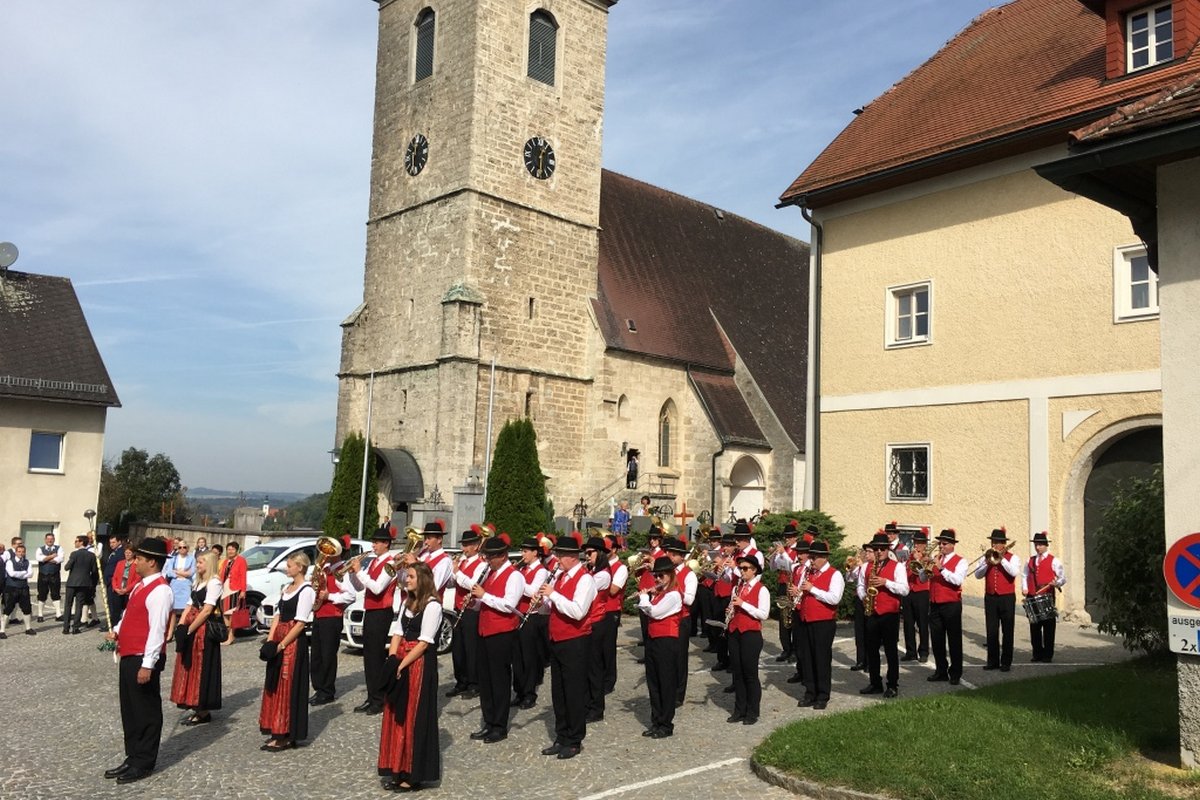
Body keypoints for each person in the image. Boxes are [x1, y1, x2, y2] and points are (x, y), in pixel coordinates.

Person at [103, 537, 172, 784]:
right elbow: (129, 614)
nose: (135, 562)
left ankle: (144, 761)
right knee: (130, 710)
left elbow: (157, 630)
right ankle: (132, 755)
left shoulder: (161, 590)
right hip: (129, 654)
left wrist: (148, 664)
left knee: (145, 711)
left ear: (152, 562)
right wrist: (117, 631)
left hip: (144, 658)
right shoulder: (139, 586)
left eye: (140, 559)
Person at [378, 561, 441, 792]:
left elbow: (424, 642)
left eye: (411, 576)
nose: (407, 579)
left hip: (418, 665)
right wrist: (393, 659)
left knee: (413, 715)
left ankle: (412, 773)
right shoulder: (407, 602)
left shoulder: (432, 606)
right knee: (396, 714)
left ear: (422, 579)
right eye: (407, 576)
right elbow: (398, 631)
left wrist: (402, 664)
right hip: (402, 659)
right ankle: (396, 766)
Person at [538, 532, 596, 760]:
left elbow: (577, 611)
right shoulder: (560, 577)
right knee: (559, 692)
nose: (557, 560)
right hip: (557, 639)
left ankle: (574, 739)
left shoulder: (585, 579)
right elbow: (553, 607)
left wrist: (554, 595)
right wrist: (543, 601)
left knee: (573, 692)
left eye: (560, 555)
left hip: (575, 641)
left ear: (572, 556)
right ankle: (561, 736)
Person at [259, 552, 314, 751]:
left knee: (287, 685)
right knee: (274, 683)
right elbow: (278, 615)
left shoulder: (306, 590)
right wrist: (271, 641)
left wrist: (282, 645)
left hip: (291, 643)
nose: (287, 568)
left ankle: (286, 733)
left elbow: (300, 624)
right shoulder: (287, 588)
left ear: (300, 567)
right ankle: (275, 727)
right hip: (280, 638)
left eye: (290, 565)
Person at [471, 534, 523, 743]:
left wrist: (484, 596)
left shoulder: (514, 576)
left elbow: (509, 605)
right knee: (485, 679)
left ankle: (499, 726)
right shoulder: (490, 574)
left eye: (491, 557)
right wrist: (475, 601)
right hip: (485, 630)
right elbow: (487, 601)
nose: (487, 561)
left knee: (499, 680)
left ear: (502, 556)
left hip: (502, 633)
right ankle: (489, 721)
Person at [348, 524, 400, 715]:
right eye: (373, 542)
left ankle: (380, 699)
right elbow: (362, 588)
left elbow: (378, 588)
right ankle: (372, 696)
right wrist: (354, 574)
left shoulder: (391, 563)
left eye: (377, 542)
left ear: (386, 544)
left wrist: (359, 572)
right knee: (369, 656)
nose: (374, 545)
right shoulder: (374, 562)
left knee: (377, 656)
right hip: (370, 610)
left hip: (382, 611)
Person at [169, 550, 223, 725]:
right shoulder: (198, 582)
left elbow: (207, 610)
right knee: (189, 665)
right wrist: (182, 626)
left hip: (204, 632)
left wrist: (190, 629)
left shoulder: (214, 582)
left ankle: (203, 708)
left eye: (200, 562)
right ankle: (193, 703)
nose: (197, 565)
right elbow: (189, 604)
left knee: (202, 667)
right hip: (192, 627)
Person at [858, 532, 909, 698]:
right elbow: (860, 586)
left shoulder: (898, 567)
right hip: (872, 611)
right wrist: (864, 597)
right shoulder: (866, 566)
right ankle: (875, 683)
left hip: (889, 614)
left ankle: (892, 684)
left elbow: (905, 589)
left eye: (882, 549)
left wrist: (886, 583)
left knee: (890, 650)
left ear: (888, 549)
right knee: (871, 650)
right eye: (876, 549)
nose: (879, 551)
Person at [795, 541, 845, 710]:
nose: (811, 560)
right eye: (810, 557)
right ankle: (810, 693)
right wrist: (798, 592)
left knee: (821, 659)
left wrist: (812, 589)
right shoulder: (809, 572)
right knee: (807, 658)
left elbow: (834, 598)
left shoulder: (835, 574)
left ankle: (823, 695)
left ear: (823, 558)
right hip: (806, 619)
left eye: (814, 557)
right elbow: (805, 592)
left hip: (823, 622)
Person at [637, 556, 682, 738]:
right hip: (654, 640)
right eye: (655, 576)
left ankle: (666, 724)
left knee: (666, 682)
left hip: (667, 642)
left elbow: (654, 613)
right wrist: (647, 599)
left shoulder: (674, 595)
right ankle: (656, 721)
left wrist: (644, 598)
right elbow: (648, 610)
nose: (657, 579)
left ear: (670, 575)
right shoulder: (659, 595)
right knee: (653, 682)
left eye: (661, 576)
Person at [310, 535, 355, 705]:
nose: (326, 553)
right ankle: (318, 688)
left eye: (330, 550)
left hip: (332, 616)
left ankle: (327, 691)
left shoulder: (341, 570)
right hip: (319, 614)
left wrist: (329, 596)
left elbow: (350, 595)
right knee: (316, 656)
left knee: (328, 655)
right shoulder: (325, 568)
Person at [725, 554, 769, 724]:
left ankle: (752, 712)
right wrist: (730, 611)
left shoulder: (762, 589)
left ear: (754, 570)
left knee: (750, 674)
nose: (741, 571)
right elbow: (734, 607)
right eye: (740, 568)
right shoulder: (737, 588)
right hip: (735, 632)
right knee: (738, 673)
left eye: (745, 568)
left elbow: (763, 614)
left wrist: (743, 604)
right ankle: (739, 710)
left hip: (751, 634)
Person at [447, 526, 487, 699]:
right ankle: (461, 680)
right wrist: (452, 573)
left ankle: (474, 682)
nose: (464, 549)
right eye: (463, 545)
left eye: (468, 545)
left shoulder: (482, 564)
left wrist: (457, 573)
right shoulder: (462, 562)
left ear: (477, 546)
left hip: (471, 610)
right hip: (458, 608)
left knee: (471, 648)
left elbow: (473, 585)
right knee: (458, 648)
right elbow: (451, 583)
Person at [513, 536, 550, 709]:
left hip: (531, 616)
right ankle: (519, 691)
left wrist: (516, 580)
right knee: (517, 657)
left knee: (529, 657)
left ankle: (529, 693)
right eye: (522, 550)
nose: (523, 554)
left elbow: (533, 591)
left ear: (535, 553)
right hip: (518, 614)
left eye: (526, 551)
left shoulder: (541, 571)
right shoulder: (523, 569)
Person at [976, 527, 1019, 672]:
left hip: (1006, 597)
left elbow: (1014, 572)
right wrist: (987, 562)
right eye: (993, 542)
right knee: (991, 630)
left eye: (998, 542)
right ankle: (992, 661)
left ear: (1004, 544)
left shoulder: (1013, 558)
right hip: (990, 597)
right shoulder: (986, 557)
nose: (995, 545)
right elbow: (977, 575)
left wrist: (1001, 560)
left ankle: (1006, 662)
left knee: (1007, 630)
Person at [927, 529, 967, 685]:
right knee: (937, 640)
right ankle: (941, 671)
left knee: (954, 640)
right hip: (935, 603)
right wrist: (925, 569)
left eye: (944, 544)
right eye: (940, 543)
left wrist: (941, 568)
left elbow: (957, 580)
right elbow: (924, 578)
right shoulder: (936, 559)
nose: (941, 546)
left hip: (951, 605)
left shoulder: (961, 561)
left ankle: (955, 673)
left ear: (952, 545)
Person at [663, 535, 697, 706]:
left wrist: (673, 589)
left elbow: (689, 600)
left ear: (681, 556)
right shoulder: (667, 572)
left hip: (682, 619)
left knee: (680, 658)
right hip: (666, 619)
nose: (670, 556)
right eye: (669, 553)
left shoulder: (689, 575)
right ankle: (668, 689)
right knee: (667, 656)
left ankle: (678, 694)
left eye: (674, 554)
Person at [1023, 531, 1066, 663]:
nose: (1038, 547)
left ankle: (1048, 655)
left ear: (1046, 545)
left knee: (1048, 627)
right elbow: (1025, 575)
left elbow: (1063, 578)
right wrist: (1024, 587)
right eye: (1036, 544)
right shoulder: (1030, 560)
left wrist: (1056, 583)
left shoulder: (1054, 560)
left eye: (1040, 545)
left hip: (1047, 596)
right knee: (1034, 627)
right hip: (1032, 596)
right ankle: (1037, 653)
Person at [583, 536, 612, 723]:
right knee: (587, 666)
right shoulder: (593, 571)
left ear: (599, 554)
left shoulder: (603, 575)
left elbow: (588, 589)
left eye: (590, 553)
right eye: (586, 553)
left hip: (597, 621)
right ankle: (588, 702)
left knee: (594, 666)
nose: (587, 556)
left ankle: (596, 708)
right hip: (589, 621)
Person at [769, 522, 801, 663]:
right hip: (782, 585)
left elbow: (793, 567)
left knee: (792, 618)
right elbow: (773, 568)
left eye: (789, 537)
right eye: (786, 536)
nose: (787, 539)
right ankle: (786, 648)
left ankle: (795, 650)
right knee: (783, 617)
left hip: (793, 584)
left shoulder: (798, 550)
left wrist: (783, 553)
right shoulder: (784, 549)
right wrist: (773, 557)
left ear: (795, 537)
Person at [901, 528, 932, 663]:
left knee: (922, 623)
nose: (917, 545)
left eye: (920, 543)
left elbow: (924, 576)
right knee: (908, 623)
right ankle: (910, 651)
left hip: (922, 593)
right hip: (909, 592)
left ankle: (924, 651)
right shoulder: (908, 558)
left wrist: (919, 561)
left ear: (925, 544)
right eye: (915, 542)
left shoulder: (928, 559)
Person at [62, 535, 98, 634]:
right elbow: (94, 571)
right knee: (79, 605)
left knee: (68, 605)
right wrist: (92, 584)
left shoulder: (74, 554)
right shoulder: (91, 555)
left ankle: (66, 628)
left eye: (76, 541)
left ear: (82, 542)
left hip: (72, 582)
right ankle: (75, 628)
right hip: (84, 583)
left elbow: (67, 567)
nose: (75, 543)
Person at [1, 544, 36, 638]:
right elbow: (11, 574)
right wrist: (24, 573)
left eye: (23, 552)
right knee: (8, 609)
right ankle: (2, 630)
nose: (21, 553)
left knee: (27, 608)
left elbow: (31, 574)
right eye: (19, 551)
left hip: (24, 588)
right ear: (15, 552)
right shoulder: (9, 562)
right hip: (11, 588)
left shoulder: (27, 562)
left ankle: (28, 628)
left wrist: (21, 574)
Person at [218, 542, 249, 645]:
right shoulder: (226, 561)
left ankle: (231, 636)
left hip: (235, 589)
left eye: (232, 549)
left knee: (232, 613)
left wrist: (243, 590)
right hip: (225, 588)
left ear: (237, 550)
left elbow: (243, 576)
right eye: (228, 549)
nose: (230, 551)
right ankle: (227, 634)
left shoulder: (241, 561)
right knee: (225, 612)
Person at [846, 541, 870, 671]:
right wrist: (852, 568)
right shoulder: (859, 566)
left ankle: (869, 662)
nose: (866, 554)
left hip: (870, 599)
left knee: (869, 631)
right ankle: (860, 660)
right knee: (859, 631)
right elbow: (849, 579)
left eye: (868, 552)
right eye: (864, 552)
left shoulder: (872, 566)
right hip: (859, 600)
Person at [164, 539, 195, 634]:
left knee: (186, 608)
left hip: (186, 584)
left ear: (188, 548)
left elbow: (192, 572)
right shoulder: (173, 558)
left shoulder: (192, 559)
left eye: (184, 547)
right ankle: (170, 632)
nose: (182, 549)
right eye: (180, 547)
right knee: (173, 609)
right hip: (175, 584)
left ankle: (183, 629)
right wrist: (180, 574)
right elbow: (169, 572)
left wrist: (177, 571)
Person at [35, 532, 63, 623]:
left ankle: (58, 614)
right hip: (43, 575)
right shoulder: (40, 549)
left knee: (56, 594)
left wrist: (46, 559)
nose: (50, 540)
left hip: (55, 575)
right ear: (45, 540)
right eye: (48, 539)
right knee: (42, 594)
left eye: (51, 539)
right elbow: (39, 558)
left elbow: (59, 559)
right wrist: (51, 556)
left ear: (54, 540)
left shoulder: (59, 548)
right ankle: (40, 614)